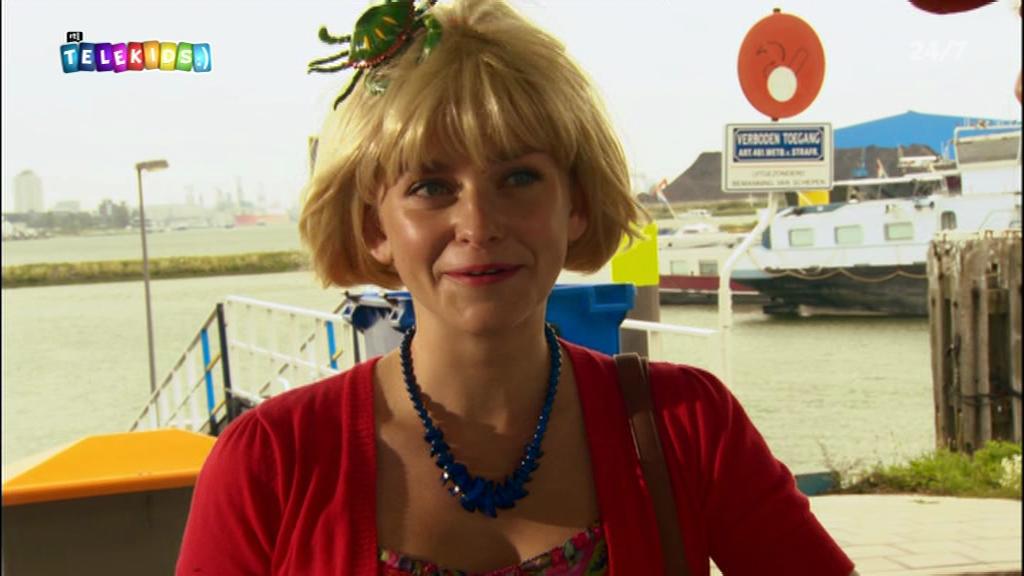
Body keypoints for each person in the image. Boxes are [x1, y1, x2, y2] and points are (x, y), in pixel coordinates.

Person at [176, 1, 857, 574]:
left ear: (576, 204)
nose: (479, 224)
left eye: (519, 178)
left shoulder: (688, 426)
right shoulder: (270, 464)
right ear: (374, 226)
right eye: (431, 187)